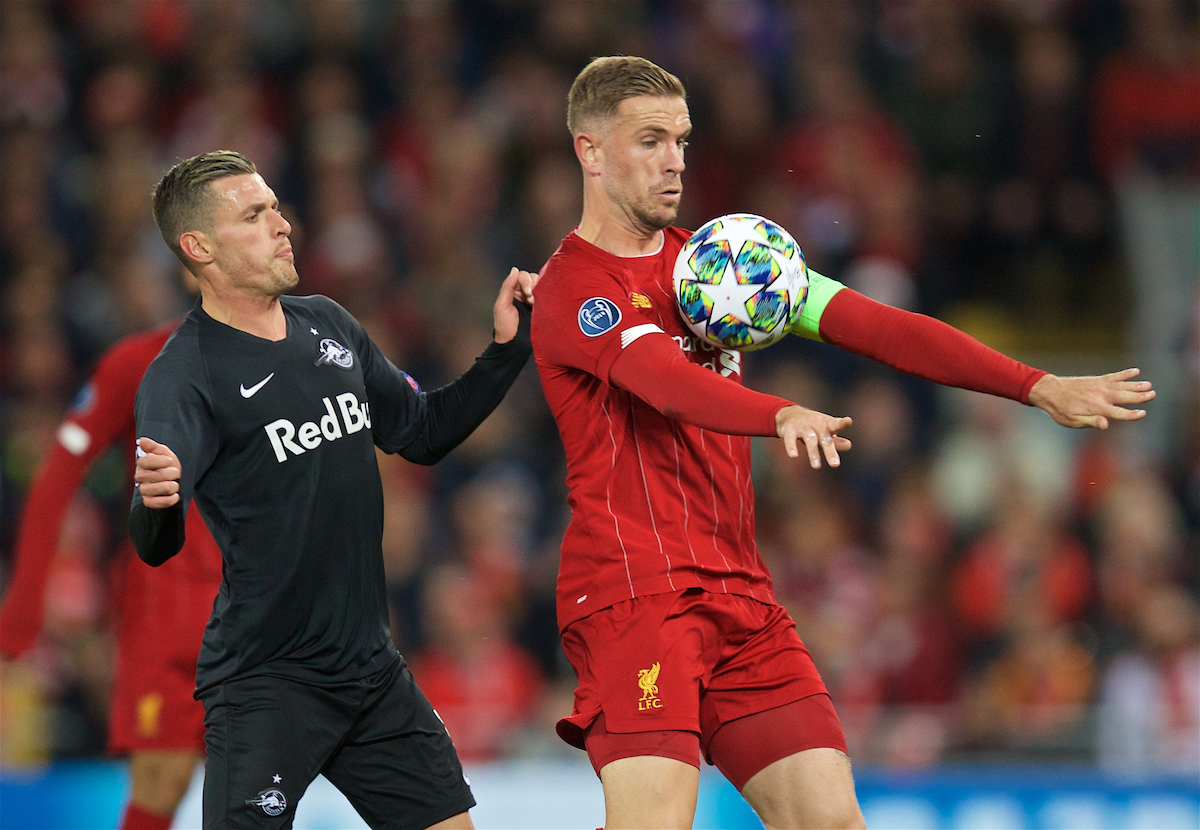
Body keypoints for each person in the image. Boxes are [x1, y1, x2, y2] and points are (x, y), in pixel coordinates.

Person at [530, 55, 1155, 830]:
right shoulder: (575, 290)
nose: (675, 162)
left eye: (683, 142)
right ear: (590, 151)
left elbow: (880, 326)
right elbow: (665, 381)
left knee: (834, 822)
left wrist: (1036, 386)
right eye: (650, 140)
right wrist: (778, 412)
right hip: (637, 598)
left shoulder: (724, 265)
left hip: (740, 596)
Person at [129, 150, 535, 830]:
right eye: (254, 215)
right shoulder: (184, 375)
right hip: (267, 685)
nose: (283, 224)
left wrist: (505, 353)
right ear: (199, 246)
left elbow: (420, 433)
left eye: (275, 207)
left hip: (371, 672)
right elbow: (154, 541)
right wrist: (159, 501)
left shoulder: (330, 325)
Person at [0, 318, 222, 830]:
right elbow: (60, 469)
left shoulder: (294, 353)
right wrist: (23, 606)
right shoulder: (138, 361)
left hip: (257, 615)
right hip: (164, 619)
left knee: (263, 788)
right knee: (161, 785)